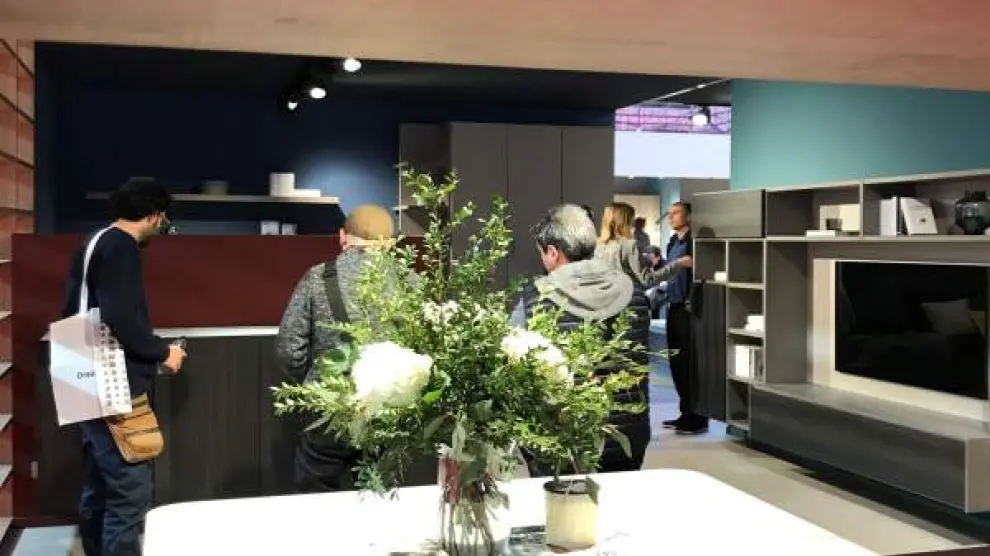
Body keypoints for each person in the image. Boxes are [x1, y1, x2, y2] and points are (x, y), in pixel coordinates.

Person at [62, 178, 187, 556]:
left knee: (98, 482)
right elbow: (120, 317)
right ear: (154, 215)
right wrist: (162, 352)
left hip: (76, 362)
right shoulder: (123, 247)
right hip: (111, 376)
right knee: (129, 490)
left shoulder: (94, 240)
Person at [510, 204, 652, 474]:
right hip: (627, 436)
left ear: (553, 252)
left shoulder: (535, 299)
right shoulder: (634, 292)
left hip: (559, 439)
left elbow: (513, 364)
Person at [276, 204, 400, 493]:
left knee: (316, 498)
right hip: (389, 412)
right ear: (392, 244)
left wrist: (314, 383)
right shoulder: (410, 282)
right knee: (379, 497)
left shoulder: (318, 278)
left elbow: (288, 350)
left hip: (328, 410)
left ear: (342, 236)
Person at [663, 201, 707, 435]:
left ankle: (697, 416)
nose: (671, 217)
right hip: (673, 306)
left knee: (689, 363)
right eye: (669, 214)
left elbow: (702, 271)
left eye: (676, 213)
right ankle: (685, 412)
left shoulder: (694, 241)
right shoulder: (672, 242)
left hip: (688, 309)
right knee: (677, 362)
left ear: (689, 215)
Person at [595, 202, 689, 289]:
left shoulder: (598, 246)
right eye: (632, 218)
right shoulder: (629, 245)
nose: (633, 222)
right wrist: (678, 264)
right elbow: (648, 280)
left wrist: (643, 261)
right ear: (625, 221)